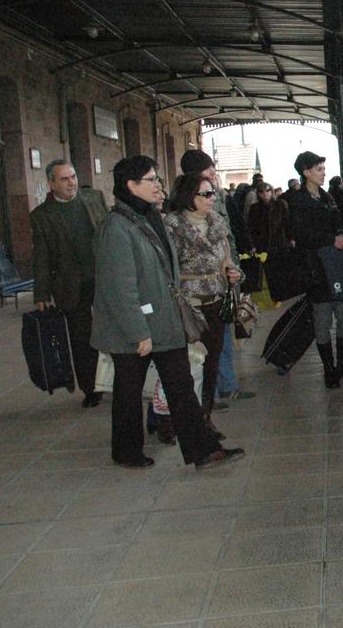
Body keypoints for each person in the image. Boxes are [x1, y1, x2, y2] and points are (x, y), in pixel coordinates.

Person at [91, 155, 244, 470]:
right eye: (151, 180)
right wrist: (138, 332)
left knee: (180, 385)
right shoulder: (117, 227)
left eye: (157, 179)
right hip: (135, 325)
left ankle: (204, 450)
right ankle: (126, 450)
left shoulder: (149, 218)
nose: (158, 185)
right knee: (129, 390)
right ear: (131, 186)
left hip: (162, 319)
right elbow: (120, 287)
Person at [163, 174, 243, 442]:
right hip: (187, 305)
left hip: (216, 301)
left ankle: (205, 417)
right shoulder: (172, 226)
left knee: (210, 363)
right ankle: (172, 420)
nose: (212, 199)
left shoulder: (217, 223)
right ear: (189, 197)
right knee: (184, 367)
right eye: (206, 194)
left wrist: (233, 273)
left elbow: (227, 260)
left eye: (213, 194)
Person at [179, 150, 255, 405]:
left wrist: (234, 270)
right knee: (201, 347)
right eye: (208, 170)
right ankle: (206, 396)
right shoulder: (176, 221)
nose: (214, 174)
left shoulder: (216, 204)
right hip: (195, 295)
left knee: (222, 339)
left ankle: (225, 387)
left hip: (222, 284)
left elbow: (228, 238)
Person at [31, 160, 108, 407]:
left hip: (104, 280)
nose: (71, 182)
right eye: (64, 179)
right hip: (70, 287)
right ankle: (92, 388)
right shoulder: (42, 216)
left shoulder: (94, 199)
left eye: (73, 176)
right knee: (81, 338)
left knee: (116, 330)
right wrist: (41, 292)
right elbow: (41, 256)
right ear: (51, 184)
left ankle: (123, 379)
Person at [289, 152, 343, 388]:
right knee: (322, 321)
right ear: (306, 172)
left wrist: (341, 234)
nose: (323, 172)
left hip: (335, 265)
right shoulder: (298, 201)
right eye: (319, 169)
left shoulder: (327, 196)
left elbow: (338, 221)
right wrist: (331, 239)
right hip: (316, 270)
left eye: (323, 168)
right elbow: (302, 235)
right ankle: (329, 369)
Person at [247, 181, 293, 255]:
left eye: (267, 191)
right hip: (262, 244)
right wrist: (252, 245)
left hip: (280, 241)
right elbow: (251, 227)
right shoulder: (254, 208)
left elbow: (287, 222)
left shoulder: (280, 204)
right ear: (258, 194)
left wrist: (291, 238)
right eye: (261, 191)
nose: (265, 194)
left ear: (271, 191)